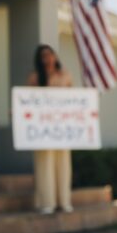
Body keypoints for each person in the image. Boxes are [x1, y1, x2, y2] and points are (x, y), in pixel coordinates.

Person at [26, 44, 74, 214]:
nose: (47, 58)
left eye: (49, 54)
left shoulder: (65, 76)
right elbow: (28, 101)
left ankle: (64, 201)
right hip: (42, 130)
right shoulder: (35, 78)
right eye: (43, 55)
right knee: (44, 165)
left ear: (55, 56)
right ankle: (46, 203)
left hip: (61, 129)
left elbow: (73, 100)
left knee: (63, 164)